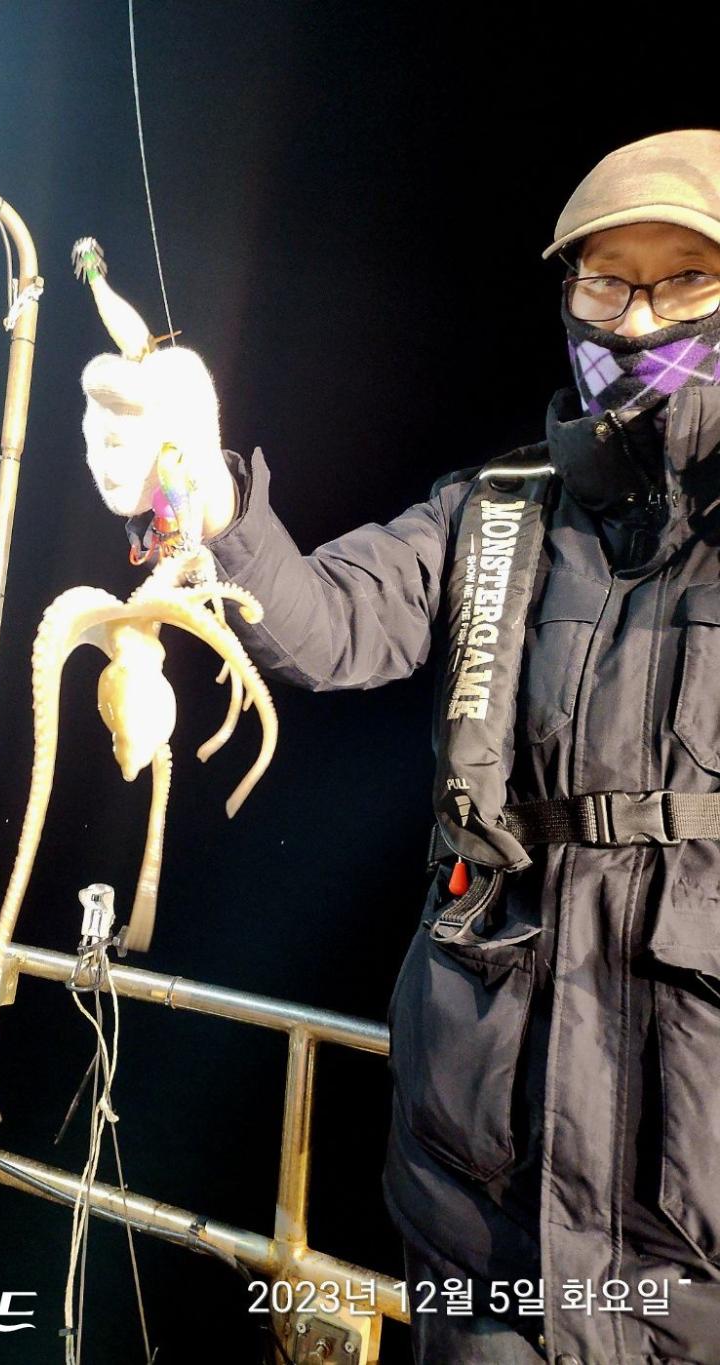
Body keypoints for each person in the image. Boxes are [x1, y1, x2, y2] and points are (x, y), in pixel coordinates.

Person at [80, 129, 720, 1364]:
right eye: (606, 284)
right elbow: (327, 627)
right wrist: (203, 498)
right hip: (479, 1195)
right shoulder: (491, 509)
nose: (638, 320)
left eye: (685, 279)